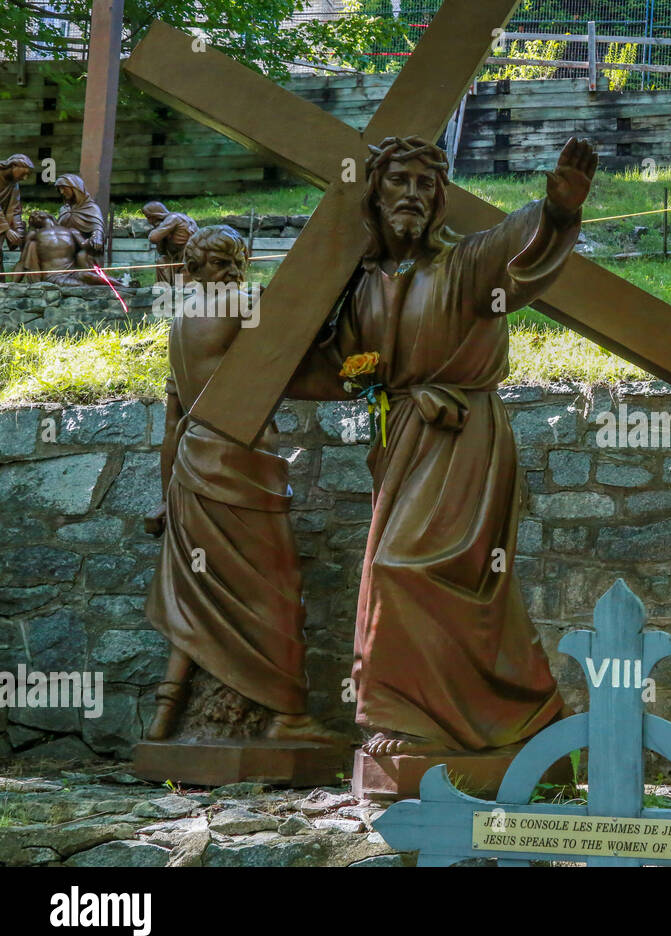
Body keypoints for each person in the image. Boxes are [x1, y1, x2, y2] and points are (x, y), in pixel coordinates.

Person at [290, 135, 597, 758]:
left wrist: (558, 211)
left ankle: (433, 724)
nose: (412, 194)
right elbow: (333, 364)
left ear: (439, 199)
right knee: (415, 576)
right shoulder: (362, 283)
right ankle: (490, 719)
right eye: (398, 180)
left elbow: (515, 246)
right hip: (401, 437)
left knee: (410, 567)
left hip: (463, 435)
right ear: (374, 193)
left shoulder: (463, 263)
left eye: (425, 184)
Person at [144, 224, 340, 745]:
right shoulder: (243, 302)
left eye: (237, 262)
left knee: (201, 591)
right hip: (239, 464)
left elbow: (172, 424)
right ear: (197, 268)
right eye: (223, 263)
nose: (233, 272)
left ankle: (164, 718)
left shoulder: (180, 322)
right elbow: (315, 330)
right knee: (277, 587)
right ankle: (288, 716)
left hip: (192, 467)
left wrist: (166, 497)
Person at [16, 210, 119, 286]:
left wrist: (95, 238)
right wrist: (13, 284)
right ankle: (118, 286)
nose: (35, 215)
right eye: (32, 217)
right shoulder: (34, 234)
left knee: (90, 276)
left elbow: (84, 244)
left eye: (37, 214)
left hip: (72, 272)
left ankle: (122, 285)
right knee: (81, 285)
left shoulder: (70, 231)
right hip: (54, 276)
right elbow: (23, 260)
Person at [142, 200, 198, 285]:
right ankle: (164, 289)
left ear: (157, 214)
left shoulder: (173, 218)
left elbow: (153, 238)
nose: (149, 221)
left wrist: (158, 227)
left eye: (149, 217)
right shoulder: (171, 218)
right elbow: (161, 251)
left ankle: (178, 290)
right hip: (177, 256)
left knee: (182, 279)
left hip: (189, 253)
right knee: (162, 262)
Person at [54, 173, 106, 262]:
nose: (62, 192)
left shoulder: (91, 208)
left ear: (76, 188)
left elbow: (98, 228)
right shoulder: (64, 209)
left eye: (64, 188)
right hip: (63, 246)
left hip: (84, 247)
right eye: (59, 189)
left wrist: (97, 236)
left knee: (81, 257)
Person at [1, 154, 34, 262]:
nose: (24, 178)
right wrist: (6, 229)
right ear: (13, 166)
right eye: (24, 174)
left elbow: (14, 209)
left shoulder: (14, 184)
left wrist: (18, 232)